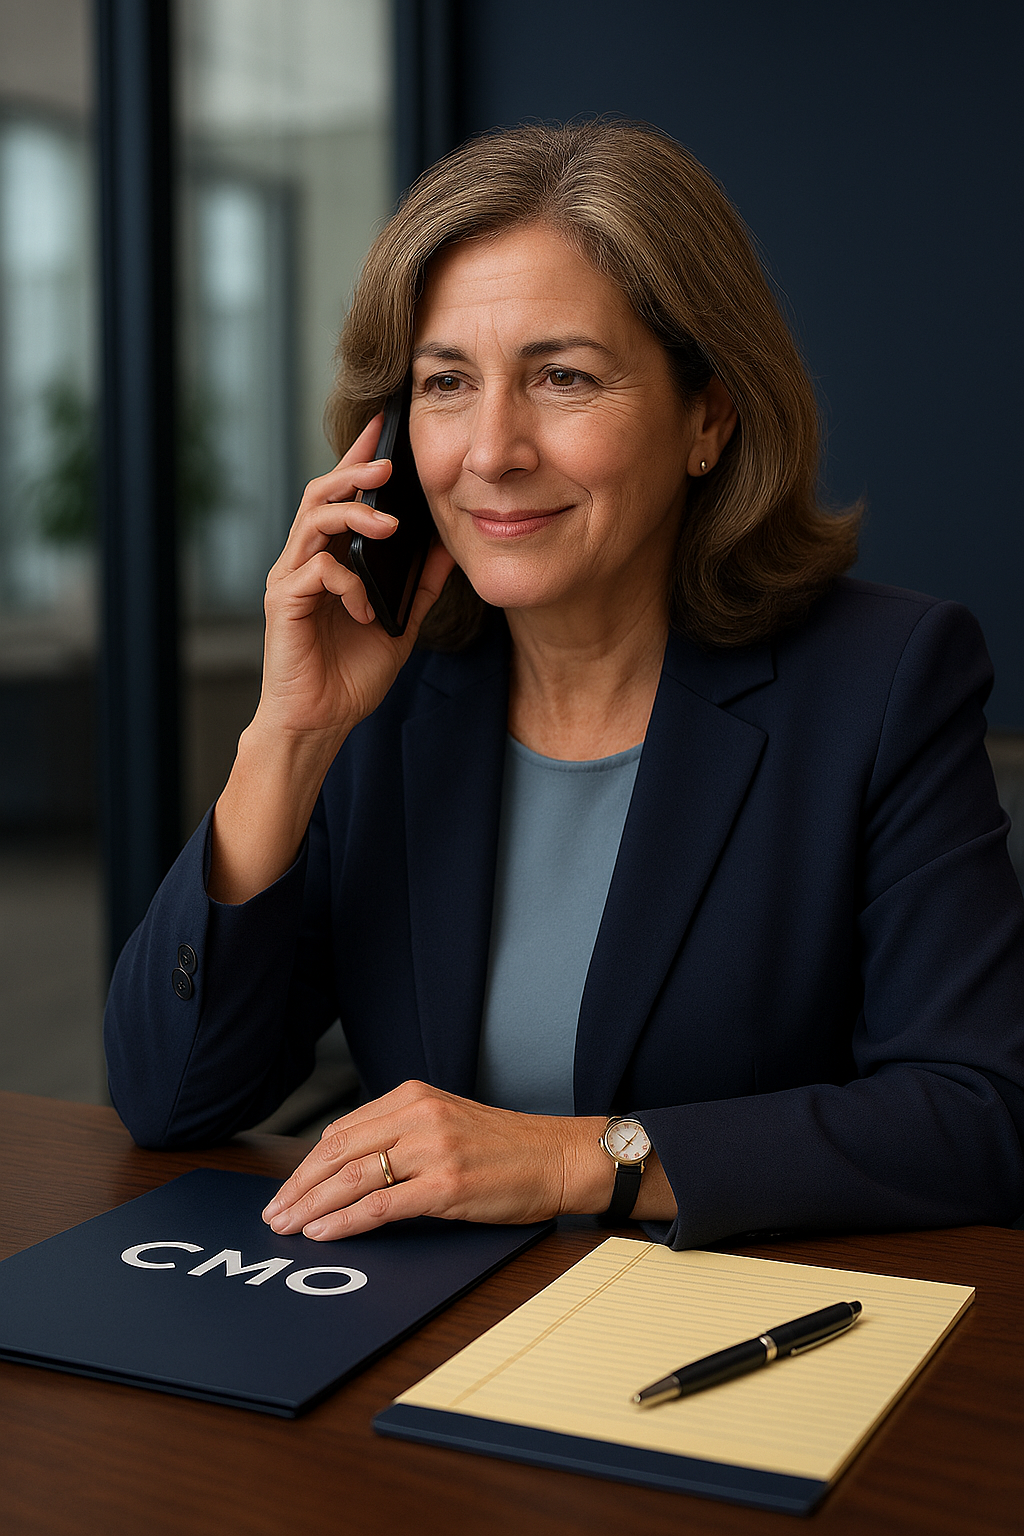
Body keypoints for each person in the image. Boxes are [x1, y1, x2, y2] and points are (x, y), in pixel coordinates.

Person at [104, 120, 1024, 1250]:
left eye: (561, 377)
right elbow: (168, 1099)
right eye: (446, 382)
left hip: (723, 1342)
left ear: (708, 417)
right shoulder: (384, 699)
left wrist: (574, 1159)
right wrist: (287, 735)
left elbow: (981, 1113)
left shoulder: (882, 683)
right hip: (421, 1333)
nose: (491, 448)